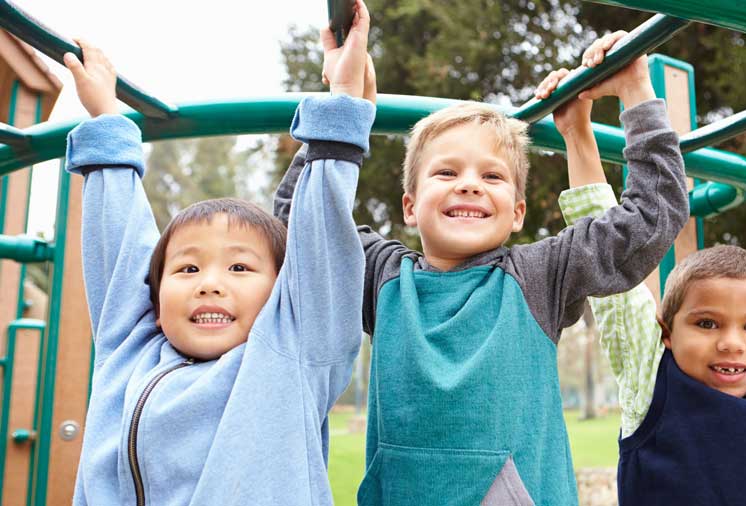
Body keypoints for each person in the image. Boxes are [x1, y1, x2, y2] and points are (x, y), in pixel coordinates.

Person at [275, 28, 690, 505]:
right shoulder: (385, 279)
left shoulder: (539, 277)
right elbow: (300, 230)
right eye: (447, 172)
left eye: (492, 176)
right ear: (410, 206)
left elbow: (651, 216)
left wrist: (636, 91)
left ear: (517, 213)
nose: (469, 185)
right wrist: (344, 108)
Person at [63, 1, 376, 503]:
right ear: (155, 293)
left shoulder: (293, 354)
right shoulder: (129, 348)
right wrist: (105, 117)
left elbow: (321, 251)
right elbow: (121, 246)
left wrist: (341, 104)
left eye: (238, 266)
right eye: (187, 267)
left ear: (282, 290)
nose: (210, 282)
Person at [558, 73, 746, 506]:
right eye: (706, 323)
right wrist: (577, 131)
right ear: (666, 334)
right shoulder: (652, 379)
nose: (732, 343)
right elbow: (606, 256)